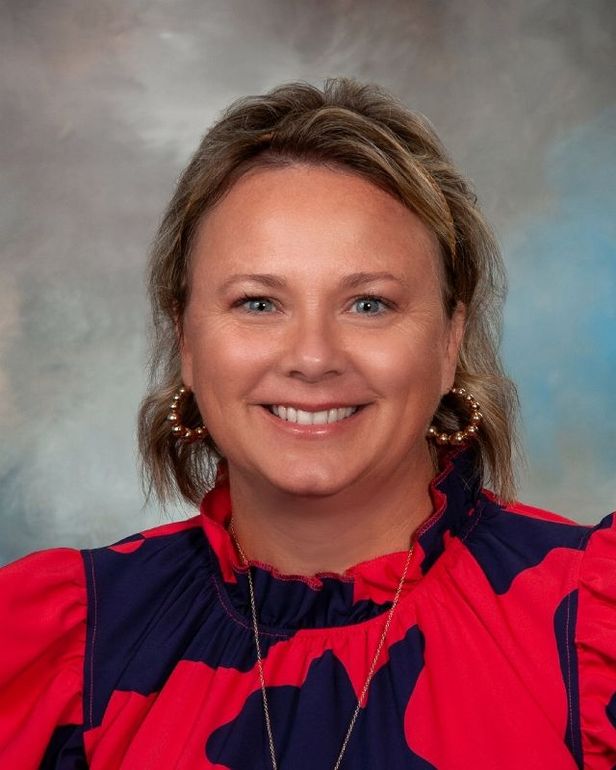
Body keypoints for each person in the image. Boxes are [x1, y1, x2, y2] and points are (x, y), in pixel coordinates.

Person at [0, 77, 614, 770]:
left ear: (449, 340)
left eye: (369, 304)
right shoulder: (58, 649)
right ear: (187, 343)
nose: (313, 358)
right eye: (259, 304)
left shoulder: (592, 628)